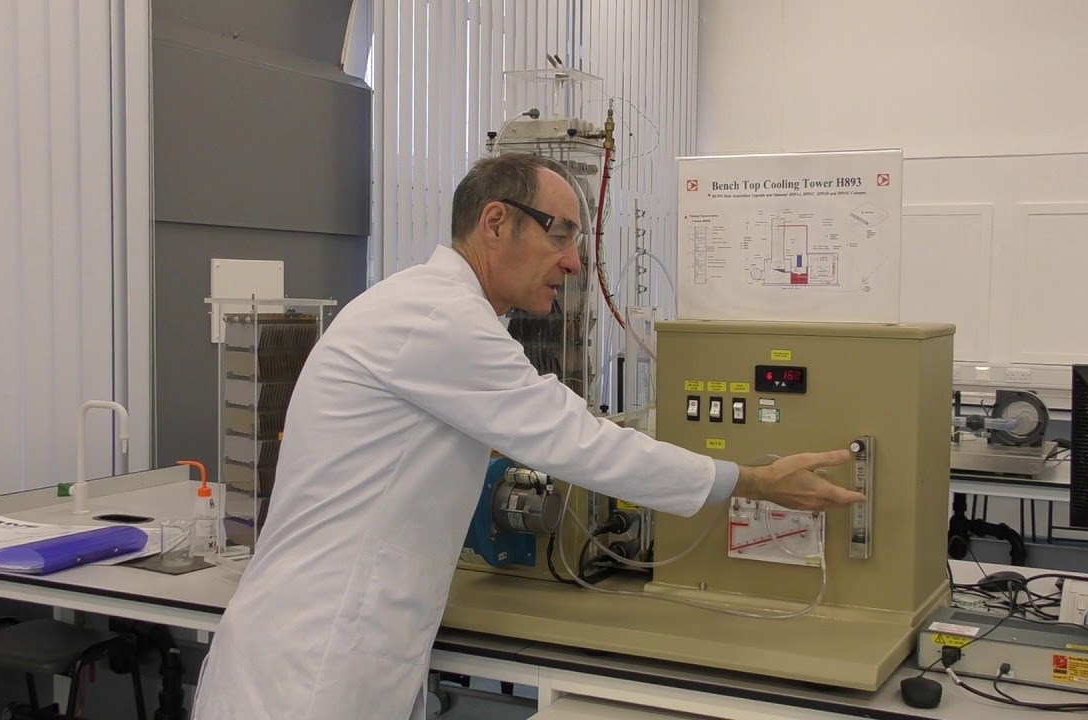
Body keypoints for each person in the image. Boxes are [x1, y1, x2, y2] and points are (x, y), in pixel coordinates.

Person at [191, 153, 865, 719]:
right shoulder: (440, 317)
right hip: (311, 668)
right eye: (561, 234)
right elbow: (578, 441)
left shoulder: (420, 307)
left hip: (333, 649)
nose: (574, 263)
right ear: (495, 222)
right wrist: (749, 480)